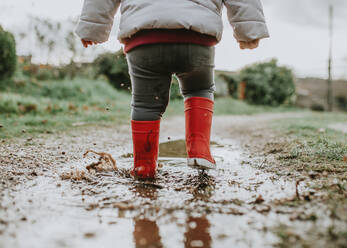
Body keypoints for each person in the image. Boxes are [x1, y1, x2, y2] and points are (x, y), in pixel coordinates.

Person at [76, 0, 269, 179]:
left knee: (145, 103)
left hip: (144, 36)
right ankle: (199, 151)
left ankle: (143, 165)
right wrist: (249, 30)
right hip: (197, 36)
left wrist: (92, 28)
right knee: (199, 89)